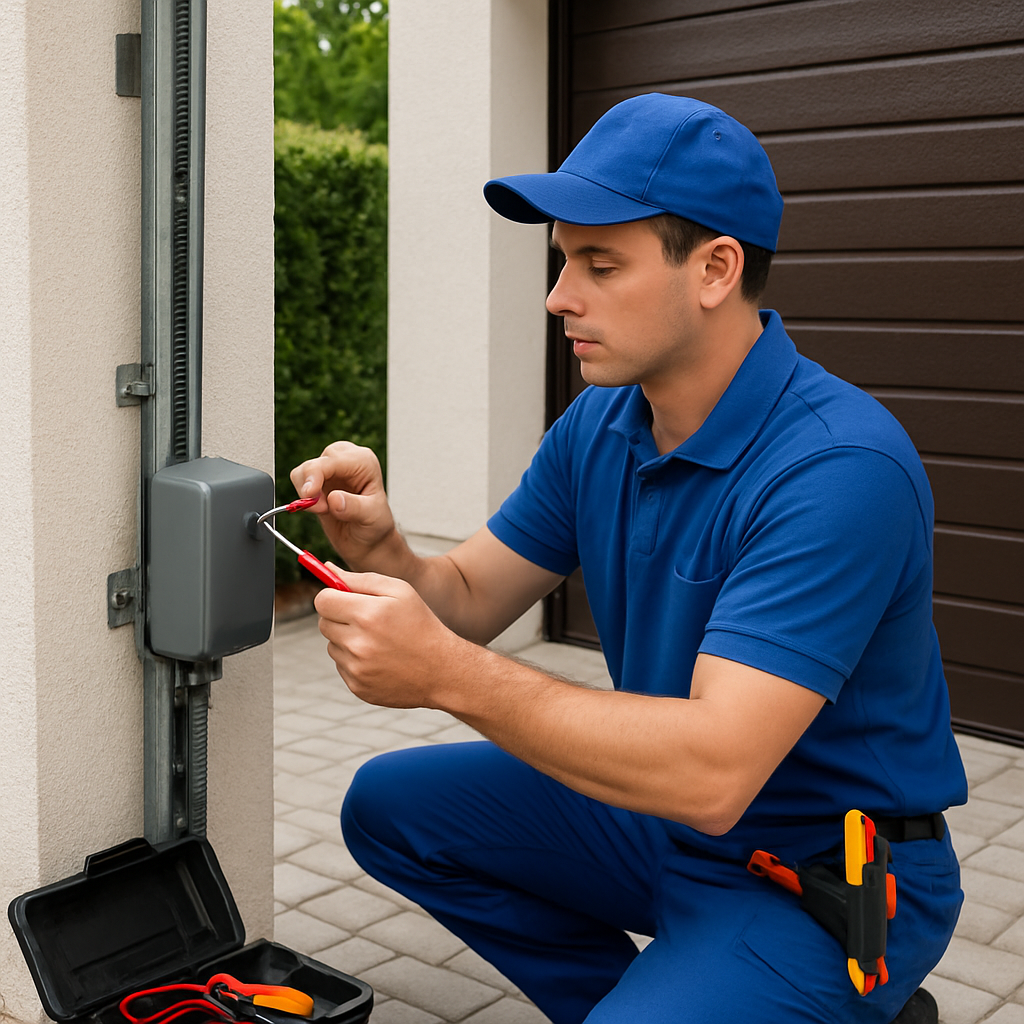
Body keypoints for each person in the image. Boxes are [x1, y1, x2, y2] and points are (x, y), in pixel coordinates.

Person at [290, 94, 966, 1024]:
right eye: (563, 259)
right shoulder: (604, 421)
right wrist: (383, 549)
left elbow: (714, 773)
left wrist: (446, 674)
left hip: (822, 870)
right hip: (665, 818)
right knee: (390, 808)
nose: (559, 296)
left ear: (716, 269)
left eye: (600, 265)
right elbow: (471, 595)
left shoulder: (840, 468)